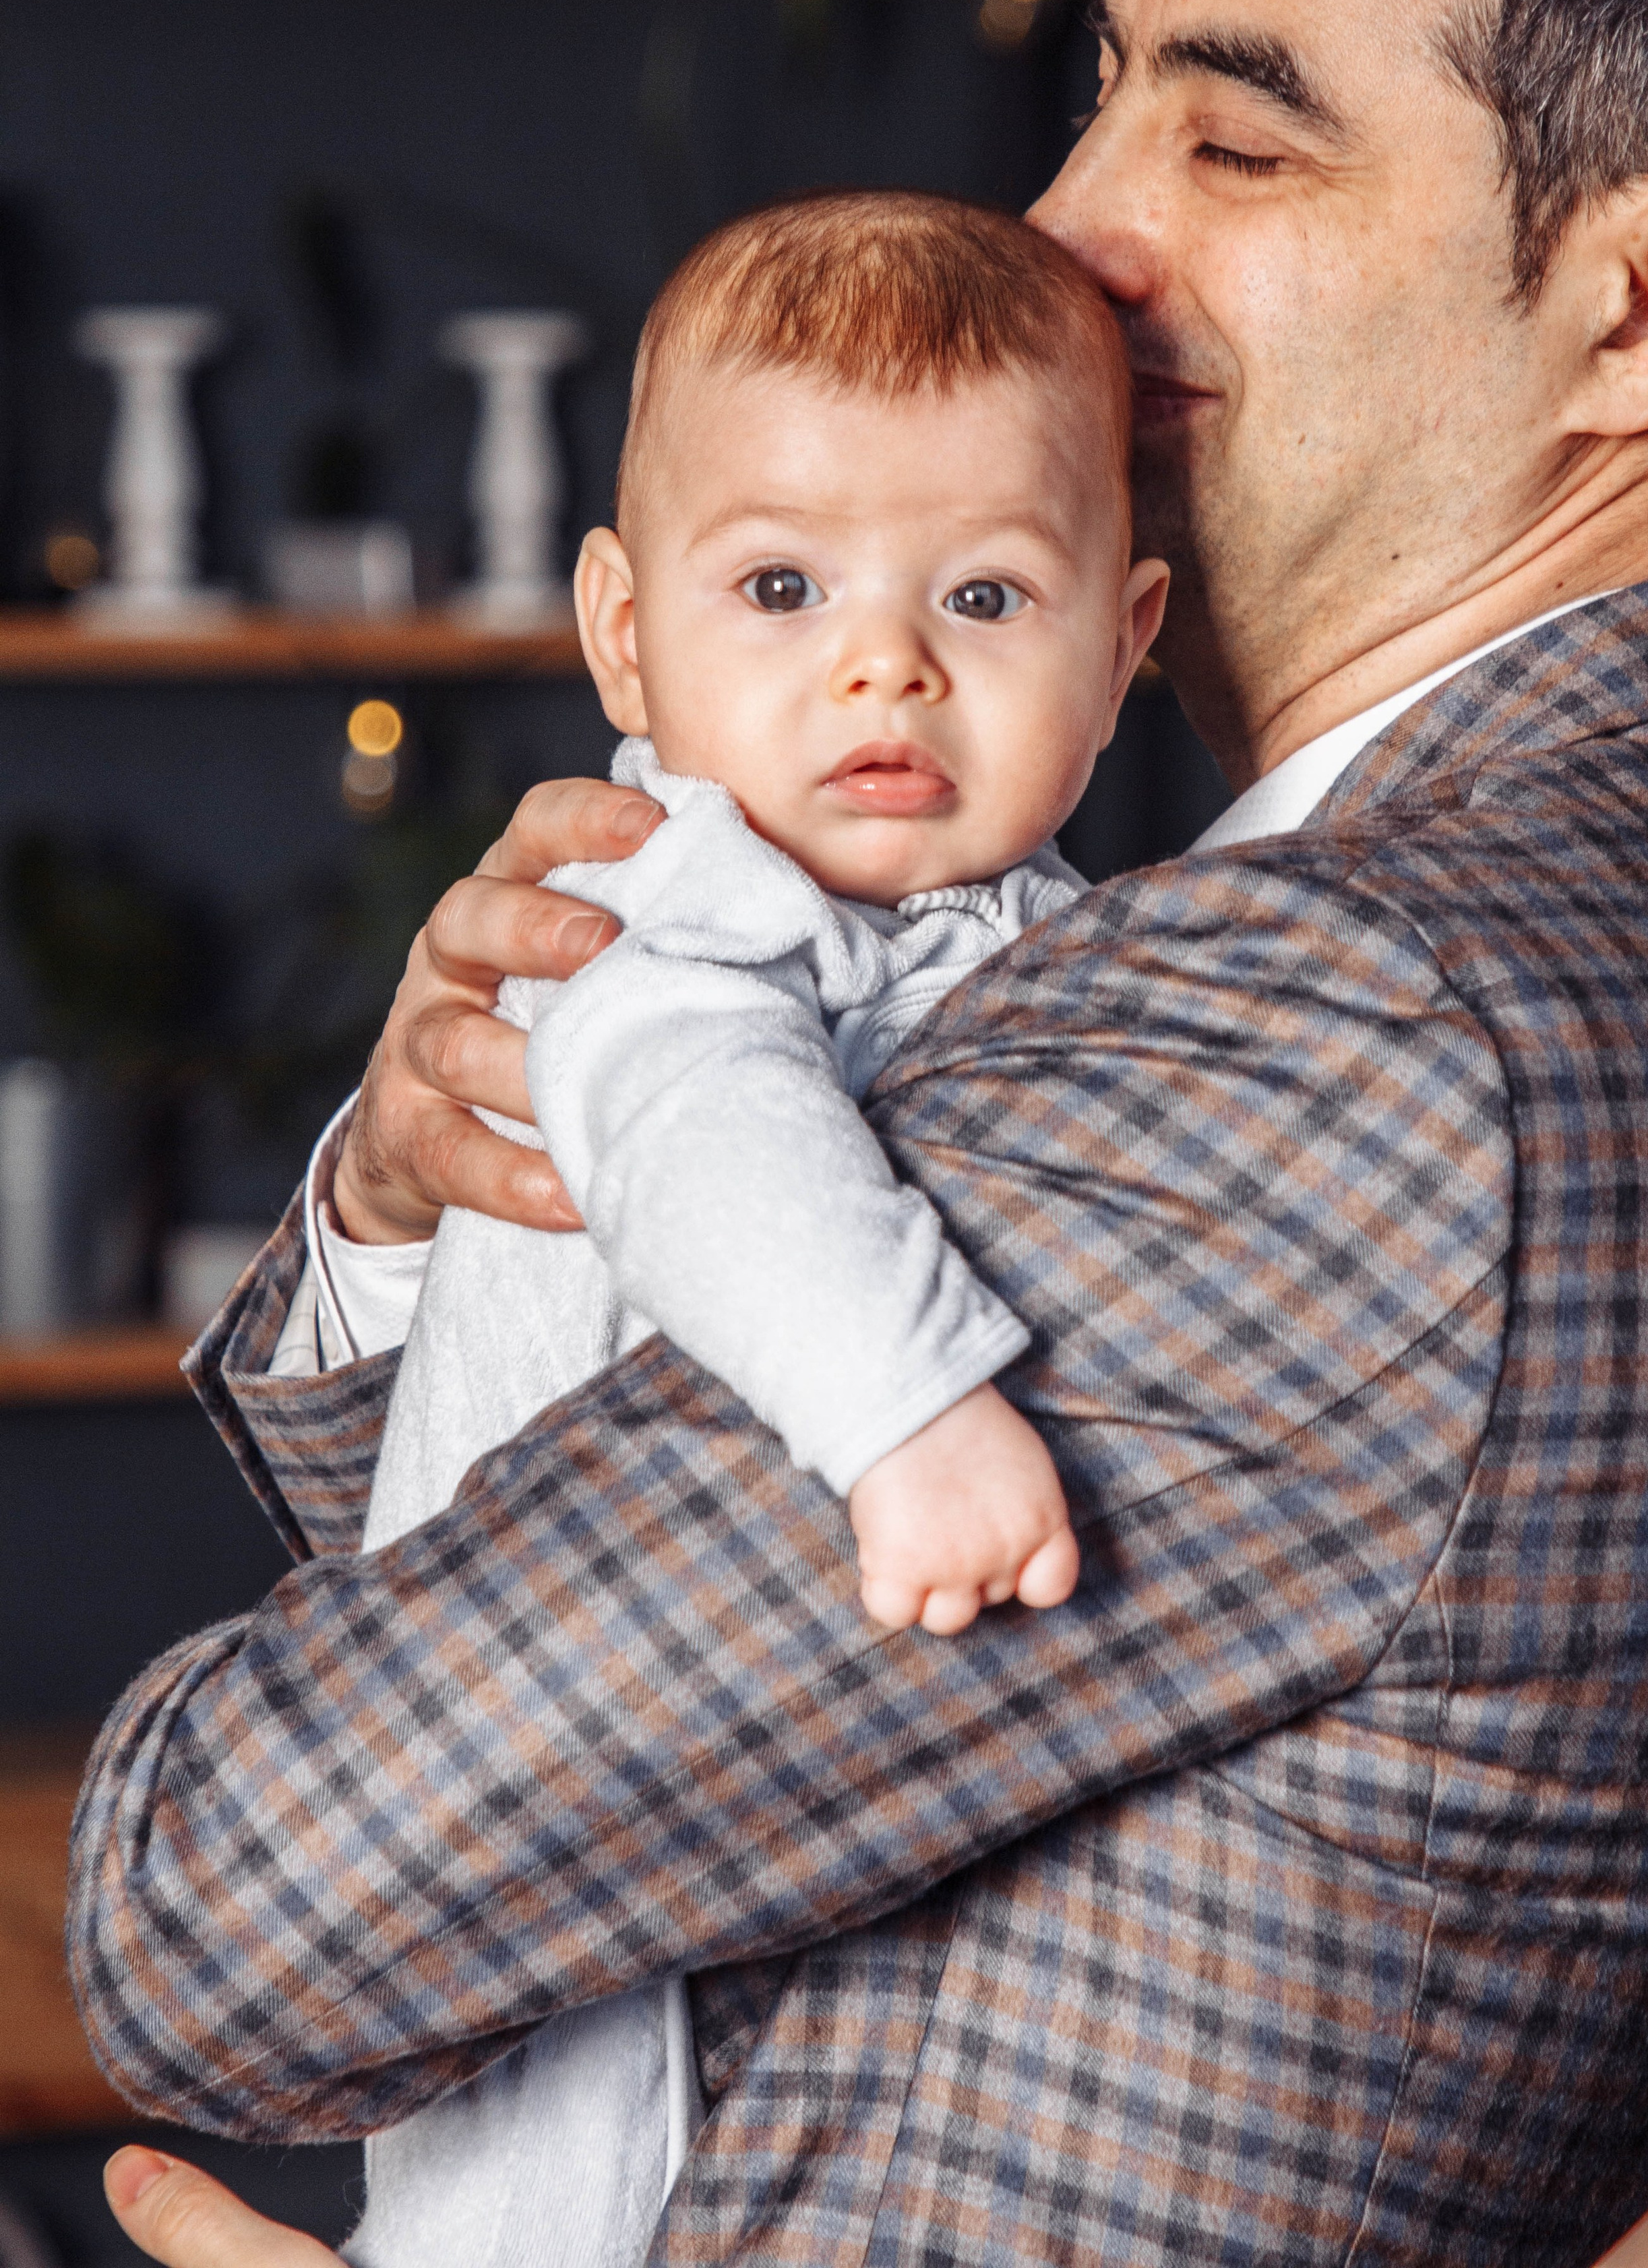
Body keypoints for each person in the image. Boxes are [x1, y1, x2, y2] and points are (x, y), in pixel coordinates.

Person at [66, 0, 1648, 2261]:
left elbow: (229, 1920)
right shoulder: (1606, 893)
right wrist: (445, 1196)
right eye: (1103, 92)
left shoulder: (1358, 1034)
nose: (1067, 230)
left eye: (1237, 133)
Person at [348, 189, 1161, 2268]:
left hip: (755, 1773)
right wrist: (910, 1415)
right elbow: (701, 1124)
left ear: (1129, 639)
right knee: (529, 2165)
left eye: (985, 597)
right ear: (626, 636)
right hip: (512, 1745)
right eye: (782, 586)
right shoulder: (669, 895)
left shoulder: (1078, 944)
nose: (883, 661)